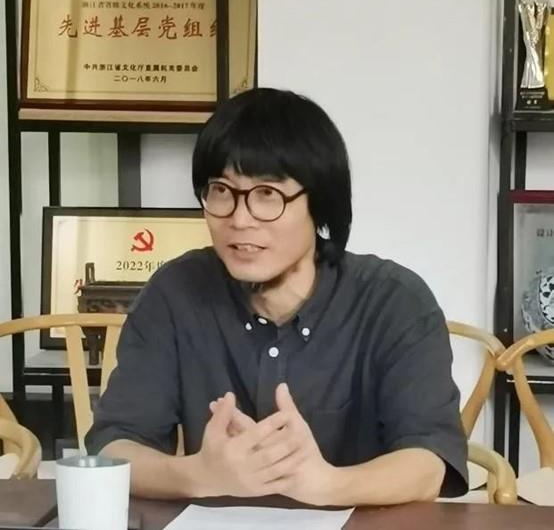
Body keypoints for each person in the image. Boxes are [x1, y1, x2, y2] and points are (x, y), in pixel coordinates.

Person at [85, 88, 468, 505]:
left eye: (268, 194)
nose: (240, 219)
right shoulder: (175, 294)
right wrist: (198, 476)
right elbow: (114, 446)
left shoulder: (394, 302)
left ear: (319, 202)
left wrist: (326, 484)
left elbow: (429, 463)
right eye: (221, 191)